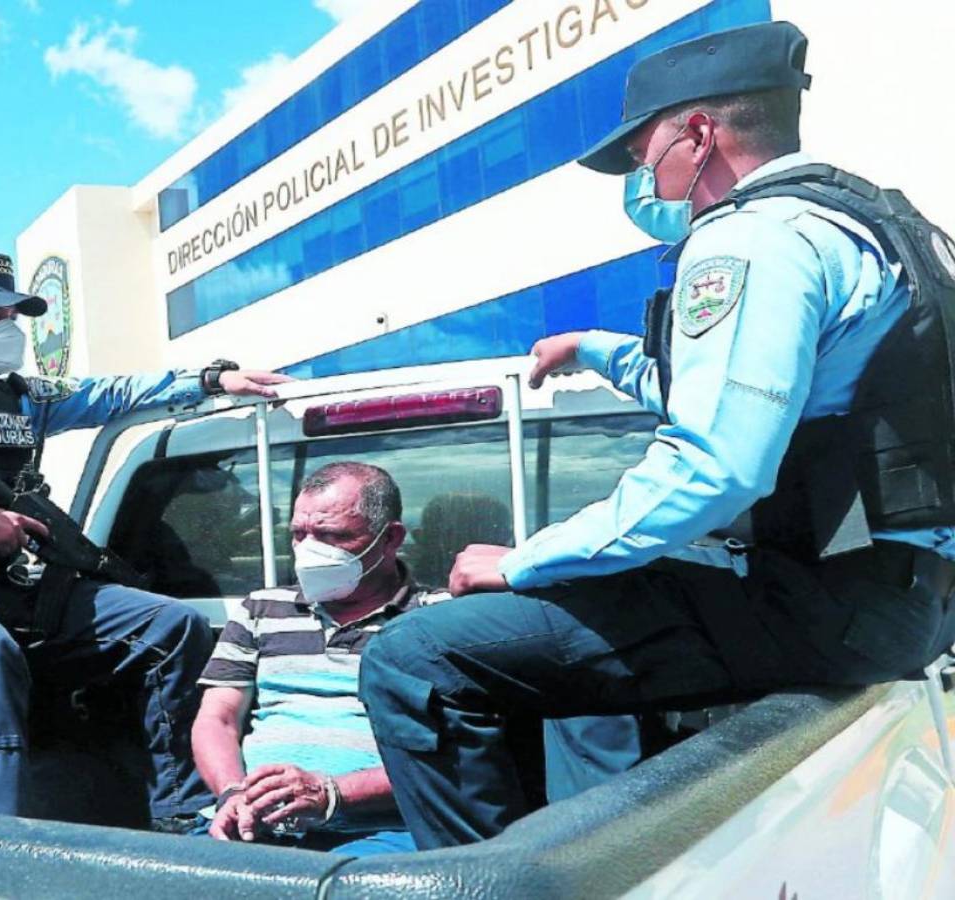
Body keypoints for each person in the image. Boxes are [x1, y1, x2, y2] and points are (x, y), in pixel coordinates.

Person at [358, 20, 955, 849]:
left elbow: (717, 463)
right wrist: (596, 350)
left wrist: (525, 558)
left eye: (644, 157)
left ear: (699, 134)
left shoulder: (753, 237)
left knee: (417, 657)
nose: (643, 181)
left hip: (829, 601)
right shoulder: (873, 228)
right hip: (900, 599)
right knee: (571, 627)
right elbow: (752, 392)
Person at [0, 251, 288, 829]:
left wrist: (209, 381)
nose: (7, 327)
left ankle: (185, 821)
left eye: (13, 312)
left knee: (171, 627)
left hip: (8, 584)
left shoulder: (23, 397)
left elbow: (110, 394)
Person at [190, 462, 435, 856]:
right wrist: (231, 793)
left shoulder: (440, 619)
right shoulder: (260, 609)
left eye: (331, 536)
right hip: (250, 821)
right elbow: (217, 718)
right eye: (299, 535)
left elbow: (455, 752)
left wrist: (332, 794)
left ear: (390, 539)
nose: (309, 550)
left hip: (384, 830)